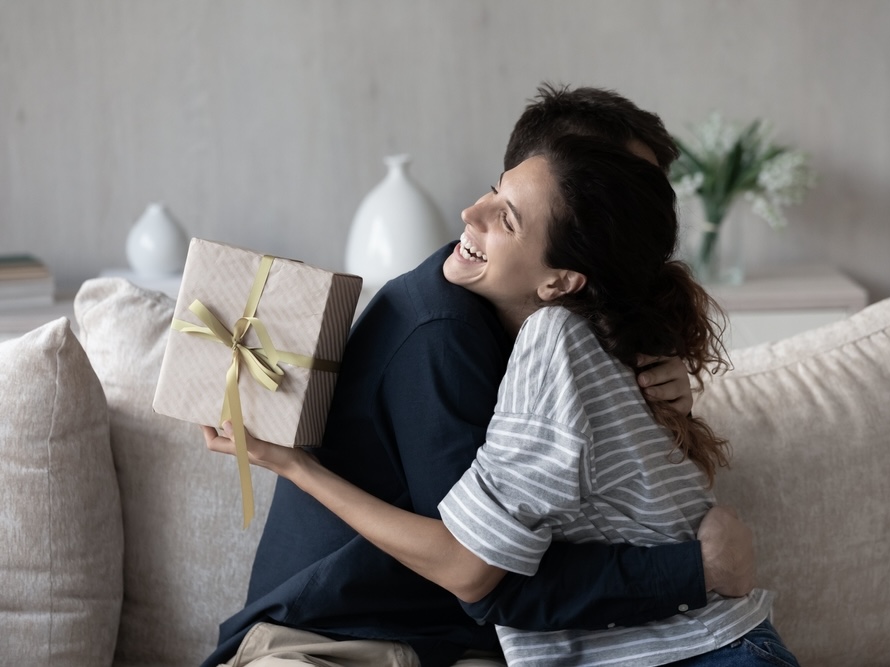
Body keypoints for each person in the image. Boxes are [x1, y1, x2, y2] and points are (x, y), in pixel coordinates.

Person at [201, 84, 756, 667]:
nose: (637, 225)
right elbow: (478, 574)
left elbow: (620, 509)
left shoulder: (560, 333)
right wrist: (695, 571)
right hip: (328, 640)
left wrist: (668, 405)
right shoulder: (442, 329)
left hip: (450, 648)